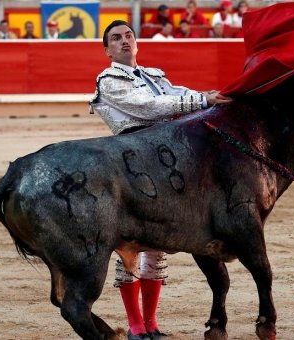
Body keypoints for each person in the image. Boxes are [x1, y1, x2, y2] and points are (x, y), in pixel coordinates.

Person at [89, 20, 231, 340]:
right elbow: (148, 107)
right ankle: (136, 325)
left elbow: (177, 94)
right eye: (116, 38)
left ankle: (151, 323)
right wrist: (202, 101)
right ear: (107, 49)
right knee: (130, 246)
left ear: (136, 42)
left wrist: (210, 96)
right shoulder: (108, 79)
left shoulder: (155, 75)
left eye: (129, 36)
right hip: (130, 167)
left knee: (157, 247)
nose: (125, 41)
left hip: (166, 164)